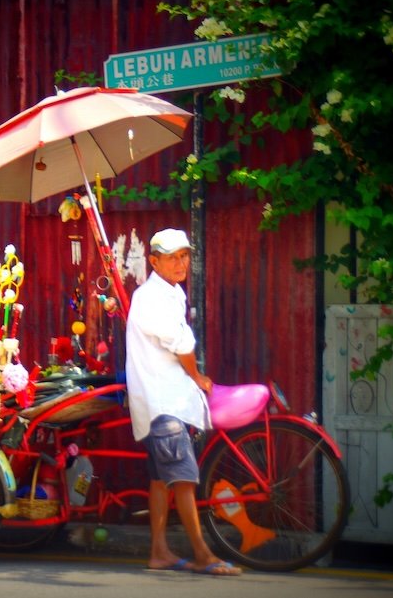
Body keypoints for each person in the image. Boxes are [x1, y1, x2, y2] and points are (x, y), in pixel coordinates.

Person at [124, 228, 242, 576]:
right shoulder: (150, 297)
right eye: (173, 257)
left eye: (185, 256)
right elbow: (181, 345)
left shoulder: (172, 293)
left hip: (166, 398)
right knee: (184, 479)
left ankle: (159, 551)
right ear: (154, 261)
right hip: (162, 402)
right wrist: (197, 376)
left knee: (162, 479)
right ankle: (203, 554)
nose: (181, 263)